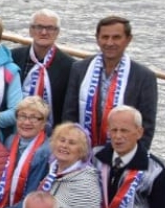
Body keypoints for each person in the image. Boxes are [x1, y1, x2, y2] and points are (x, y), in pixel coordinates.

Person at [64, 15, 158, 149]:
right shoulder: (80, 69)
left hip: (122, 155)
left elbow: (146, 127)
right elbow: (69, 115)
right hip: (82, 153)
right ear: (97, 39)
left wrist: (132, 161)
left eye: (116, 37)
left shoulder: (144, 77)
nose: (109, 43)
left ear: (128, 40)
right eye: (105, 37)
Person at [11, 10, 74, 126]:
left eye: (50, 28)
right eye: (39, 27)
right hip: (14, 125)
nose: (44, 32)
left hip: (50, 132)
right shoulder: (13, 57)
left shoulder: (70, 66)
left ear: (57, 32)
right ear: (30, 30)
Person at [38, 123, 102, 208]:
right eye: (62, 140)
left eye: (72, 143)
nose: (64, 145)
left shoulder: (85, 184)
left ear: (81, 150)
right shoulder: (53, 170)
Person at [0, 96, 52, 208]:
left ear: (43, 123)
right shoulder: (10, 141)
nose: (26, 122)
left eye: (33, 118)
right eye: (22, 116)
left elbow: (33, 194)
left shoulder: (46, 151)